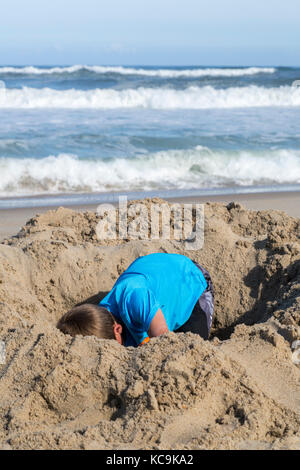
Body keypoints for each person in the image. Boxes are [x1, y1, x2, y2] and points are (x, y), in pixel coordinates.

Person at [57, 253, 214, 347]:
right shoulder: (101, 317)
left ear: (117, 329)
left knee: (193, 346)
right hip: (150, 273)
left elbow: (165, 343)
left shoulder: (135, 297)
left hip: (189, 280)